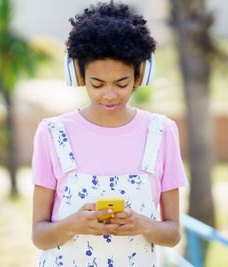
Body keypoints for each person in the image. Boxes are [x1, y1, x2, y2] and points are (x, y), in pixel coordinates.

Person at [31, 1, 188, 266]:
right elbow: (39, 236)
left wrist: (142, 225)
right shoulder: (52, 133)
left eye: (122, 83)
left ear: (141, 73)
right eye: (97, 84)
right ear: (77, 74)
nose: (110, 95)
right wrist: (73, 225)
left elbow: (172, 234)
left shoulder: (162, 132)